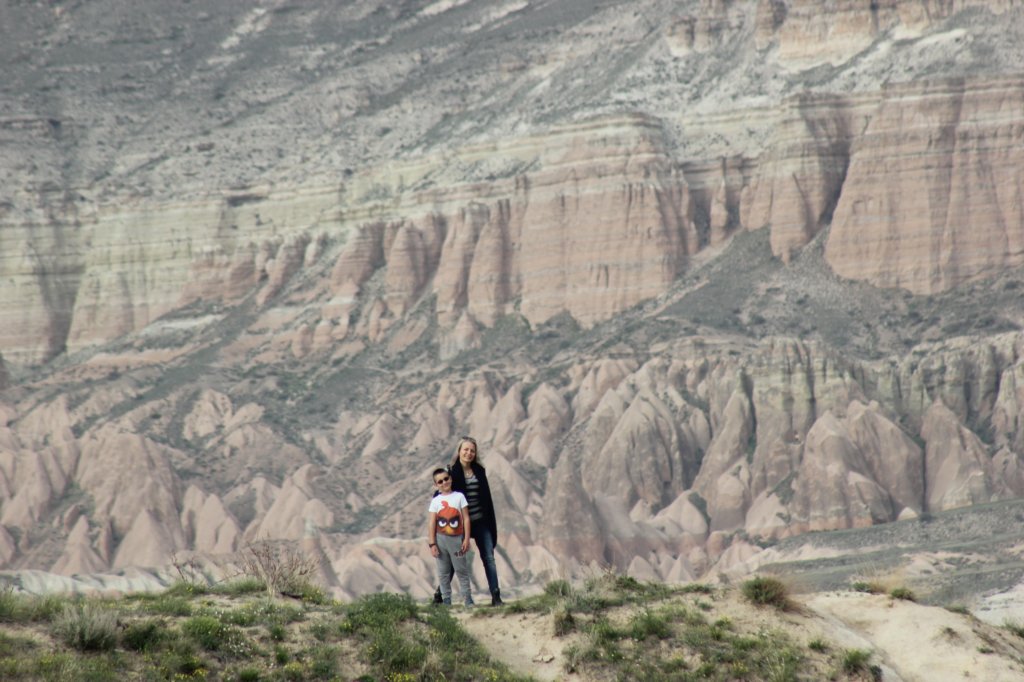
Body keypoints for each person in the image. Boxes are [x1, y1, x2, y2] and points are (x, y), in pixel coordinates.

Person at [434, 436, 504, 606]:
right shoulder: (450, 472)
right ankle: (439, 595)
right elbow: (439, 494)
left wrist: (489, 521)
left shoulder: (479, 471)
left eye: (472, 450)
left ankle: (496, 596)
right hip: (459, 524)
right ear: (459, 451)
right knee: (453, 559)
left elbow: (486, 498)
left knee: (488, 557)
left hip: (481, 522)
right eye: (465, 449)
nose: (469, 453)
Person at [427, 467, 473, 607]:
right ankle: (446, 600)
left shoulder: (459, 497)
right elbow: (432, 522)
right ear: (436, 485)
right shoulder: (436, 500)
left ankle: (467, 598)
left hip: (456, 539)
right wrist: (432, 543)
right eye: (440, 481)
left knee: (461, 570)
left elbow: (466, 518)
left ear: (451, 479)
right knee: (443, 572)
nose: (444, 482)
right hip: (440, 540)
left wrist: (466, 539)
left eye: (446, 479)